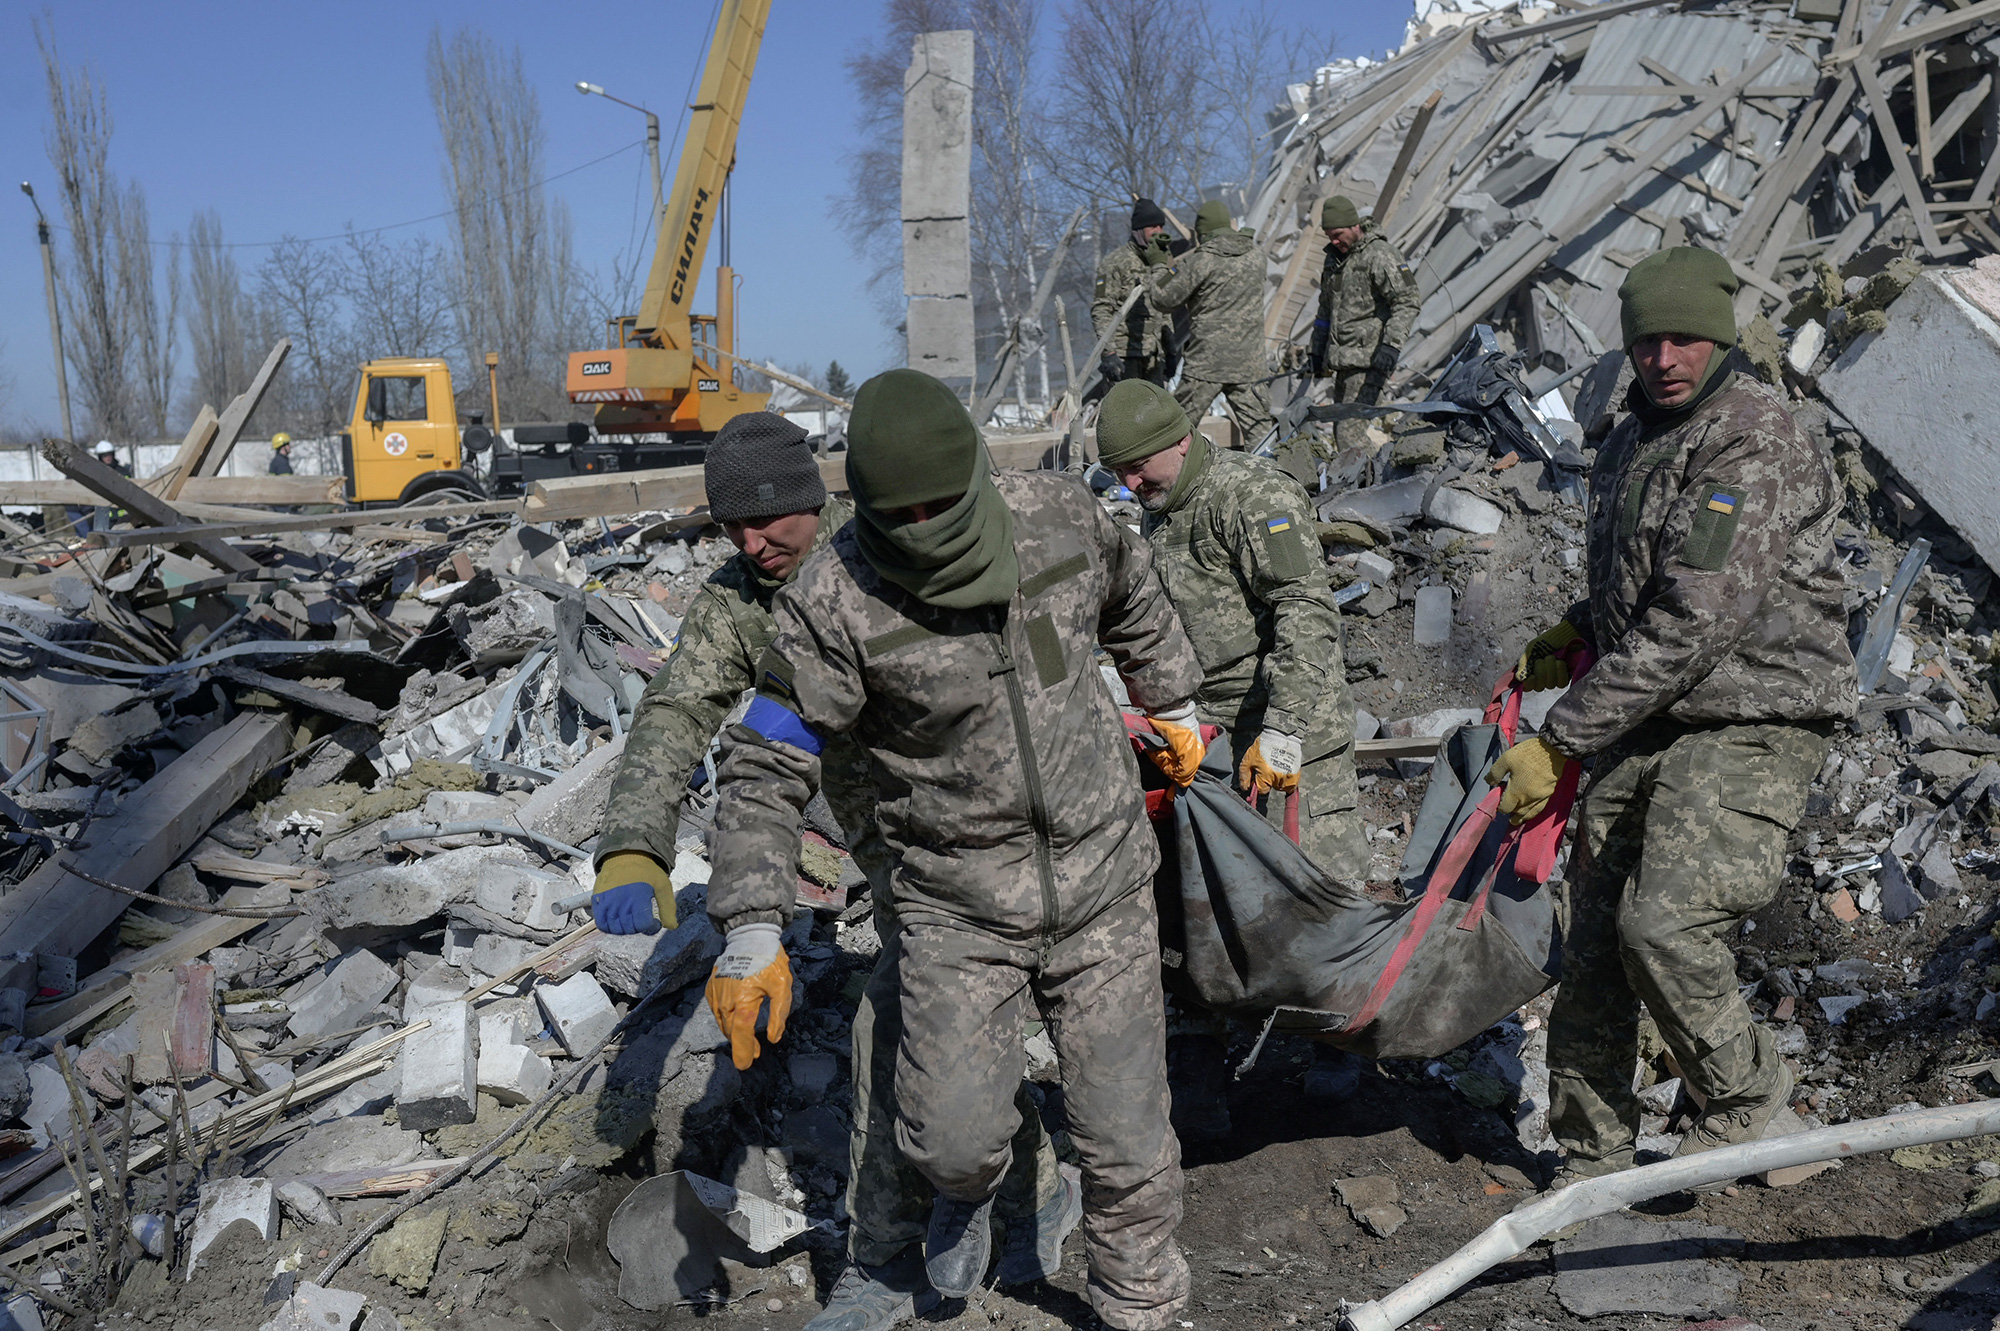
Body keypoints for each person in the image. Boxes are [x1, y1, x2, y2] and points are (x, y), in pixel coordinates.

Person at [704, 369, 1204, 1330]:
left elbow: (1132, 593)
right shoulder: (836, 600)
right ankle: (966, 1194)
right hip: (956, 904)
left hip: (1102, 881)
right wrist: (752, 924)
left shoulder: (1058, 517)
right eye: (909, 514)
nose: (930, 526)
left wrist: (1169, 693)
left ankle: (1142, 1306)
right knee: (953, 1139)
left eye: (946, 503)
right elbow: (765, 758)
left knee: (1127, 1138)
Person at [592, 411, 1069, 1331]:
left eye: (766, 521)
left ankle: (1021, 1196)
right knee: (909, 1023)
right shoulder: (740, 602)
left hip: (980, 828)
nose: (748, 542)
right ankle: (892, 1256)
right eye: (729, 525)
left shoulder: (889, 547)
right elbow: (675, 710)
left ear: (810, 498)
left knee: (938, 1021)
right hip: (885, 849)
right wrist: (633, 841)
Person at [1492, 247, 1857, 1189]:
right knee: (1598, 934)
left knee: (1664, 924)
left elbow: (1697, 616)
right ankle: (1591, 1154)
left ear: (1722, 338)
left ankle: (1753, 1104)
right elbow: (1646, 586)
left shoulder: (1755, 437)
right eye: (1648, 340)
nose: (1664, 358)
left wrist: (1561, 734)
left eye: (1685, 338)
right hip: (1650, 711)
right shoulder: (1627, 438)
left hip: (1754, 712)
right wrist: (1576, 630)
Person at [1097, 378, 1372, 1129]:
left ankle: (1340, 1045)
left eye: (1137, 467)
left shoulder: (1246, 494)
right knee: (1189, 900)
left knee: (1315, 887)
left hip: (1289, 730)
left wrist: (1285, 725)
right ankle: (1195, 1059)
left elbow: (1305, 609)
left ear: (1180, 439)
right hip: (1203, 735)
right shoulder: (1155, 512)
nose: (1129, 484)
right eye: (1116, 472)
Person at [1145, 200, 1274, 448]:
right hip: (1250, 363)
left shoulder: (1202, 260)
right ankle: (1274, 481)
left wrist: (1159, 264)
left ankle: (1169, 482)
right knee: (1262, 437)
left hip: (1207, 364)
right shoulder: (1257, 256)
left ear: (1203, 233)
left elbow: (1164, 299)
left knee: (1175, 430)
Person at [1309, 196, 1420, 453]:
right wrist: (1317, 350)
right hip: (1343, 362)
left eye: (1338, 234)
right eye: (1329, 236)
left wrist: (1391, 346)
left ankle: (1370, 489)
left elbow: (1407, 301)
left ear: (1354, 226)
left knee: (1350, 436)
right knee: (1343, 432)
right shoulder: (1335, 260)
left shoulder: (1381, 255)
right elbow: (1325, 309)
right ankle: (1360, 485)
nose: (1334, 241)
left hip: (1369, 362)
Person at [1090, 198, 1177, 388]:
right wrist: (1109, 353)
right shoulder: (1114, 263)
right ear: (1139, 230)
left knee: (1157, 415)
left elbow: (1165, 310)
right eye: (1152, 227)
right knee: (1125, 415)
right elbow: (1101, 309)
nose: (1158, 232)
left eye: (1161, 226)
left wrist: (1171, 351)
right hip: (1124, 358)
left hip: (1154, 358)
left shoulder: (1162, 263)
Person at [66, 440, 125, 537]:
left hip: (122, 514)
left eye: (109, 455)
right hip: (101, 513)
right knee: (97, 538)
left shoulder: (122, 471)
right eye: (104, 455)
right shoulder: (96, 472)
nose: (108, 458)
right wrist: (88, 509)